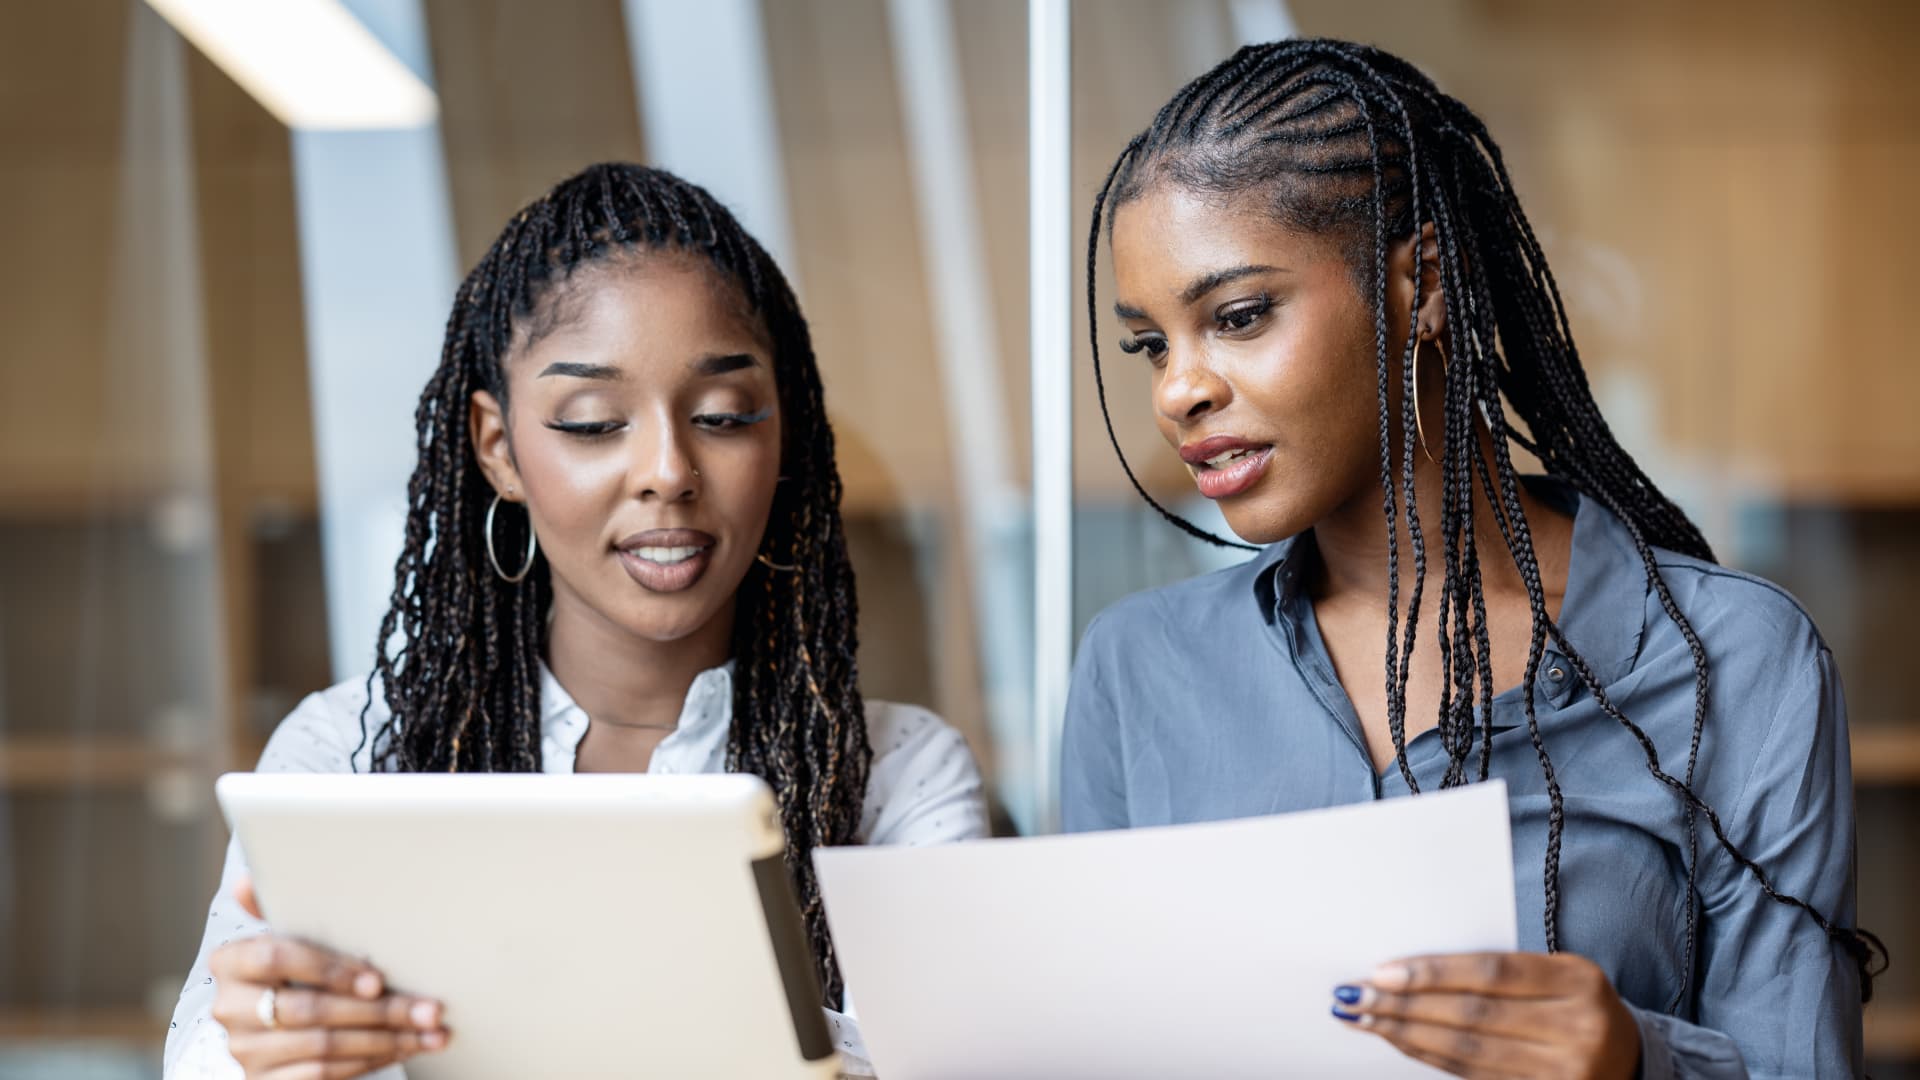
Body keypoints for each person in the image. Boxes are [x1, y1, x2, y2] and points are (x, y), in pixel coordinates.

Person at [1064, 38, 1880, 1078]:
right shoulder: (1137, 669)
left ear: (1424, 283)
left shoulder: (1737, 661)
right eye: (1151, 344)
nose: (1179, 389)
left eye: (1237, 317)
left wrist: (1636, 1060)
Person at [164, 163, 988, 1079]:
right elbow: (204, 1059)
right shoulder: (351, 754)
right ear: (497, 447)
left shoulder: (900, 779)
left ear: (781, 432)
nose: (668, 469)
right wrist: (267, 1036)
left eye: (724, 414)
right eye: (594, 422)